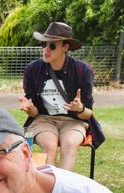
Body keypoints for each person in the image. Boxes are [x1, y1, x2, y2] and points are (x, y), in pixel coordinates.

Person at [18, 22, 104, 170]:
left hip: (74, 121)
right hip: (44, 119)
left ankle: (61, 189)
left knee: (69, 145)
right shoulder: (32, 70)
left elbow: (88, 113)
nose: (46, 50)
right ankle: (47, 189)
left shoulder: (82, 70)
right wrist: (30, 108)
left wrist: (80, 108)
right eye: (44, 45)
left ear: (65, 47)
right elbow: (36, 113)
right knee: (49, 146)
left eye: (52, 46)